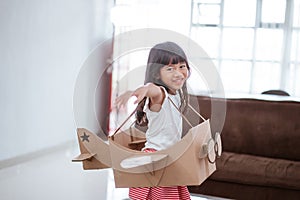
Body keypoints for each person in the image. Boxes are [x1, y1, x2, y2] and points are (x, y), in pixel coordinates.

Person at [115, 41, 191, 200]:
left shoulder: (174, 95)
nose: (178, 73)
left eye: (182, 66)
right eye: (170, 69)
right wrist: (144, 89)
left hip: (169, 158)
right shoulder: (160, 95)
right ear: (157, 74)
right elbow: (153, 89)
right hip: (156, 159)